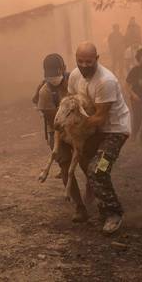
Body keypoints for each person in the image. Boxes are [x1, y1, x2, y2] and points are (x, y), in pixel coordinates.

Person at [68, 41, 131, 234]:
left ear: (97, 59)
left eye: (89, 61)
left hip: (114, 131)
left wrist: (74, 126)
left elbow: (99, 118)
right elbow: (72, 102)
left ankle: (114, 213)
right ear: (76, 59)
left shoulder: (106, 81)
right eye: (81, 61)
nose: (84, 65)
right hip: (93, 130)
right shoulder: (74, 75)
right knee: (88, 166)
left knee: (98, 169)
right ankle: (103, 206)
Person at [35, 53, 88, 223]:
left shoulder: (74, 80)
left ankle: (93, 189)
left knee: (88, 163)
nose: (54, 79)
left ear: (64, 69)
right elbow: (54, 121)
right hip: (58, 130)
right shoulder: (45, 92)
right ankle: (79, 207)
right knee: (65, 167)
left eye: (56, 74)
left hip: (80, 128)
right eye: (49, 76)